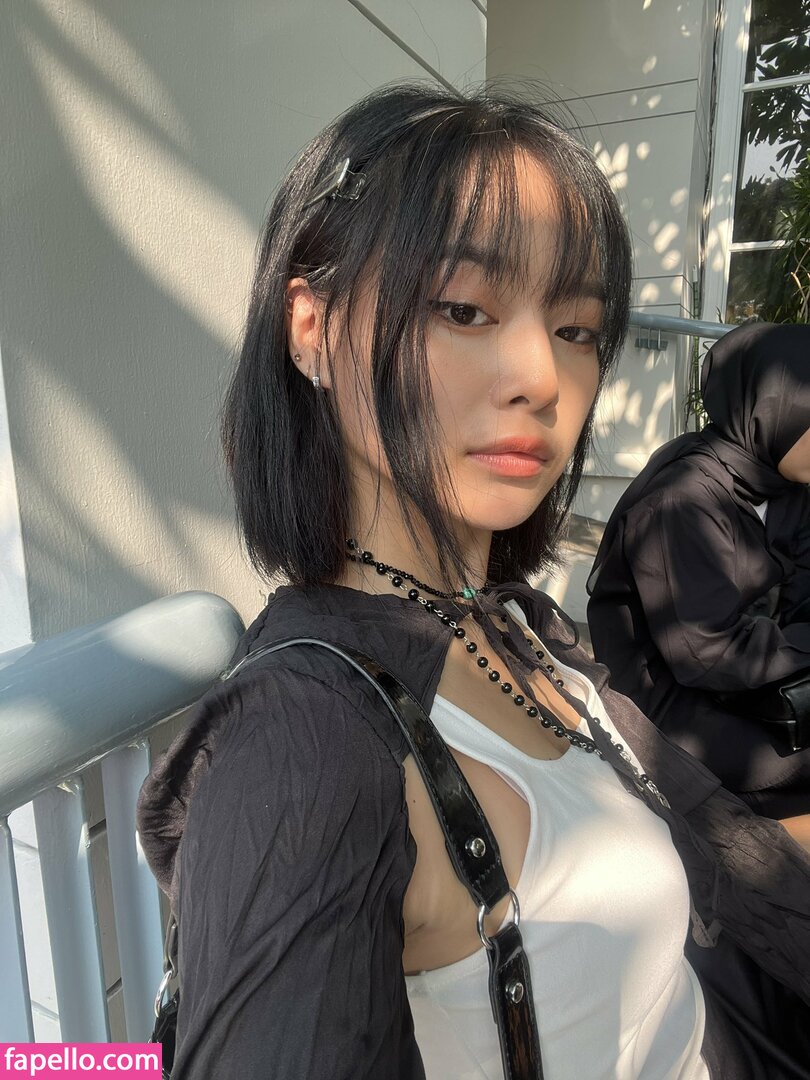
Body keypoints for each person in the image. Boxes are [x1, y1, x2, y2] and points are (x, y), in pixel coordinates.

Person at [136, 86, 810, 1080]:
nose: (540, 375)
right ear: (311, 326)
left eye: (577, 329)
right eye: (463, 308)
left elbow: (729, 846)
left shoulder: (513, 626)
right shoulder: (301, 752)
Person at [587, 323, 810, 835]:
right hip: (670, 710)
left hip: (754, 682)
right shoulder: (681, 501)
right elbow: (707, 653)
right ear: (779, 413)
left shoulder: (786, 488)